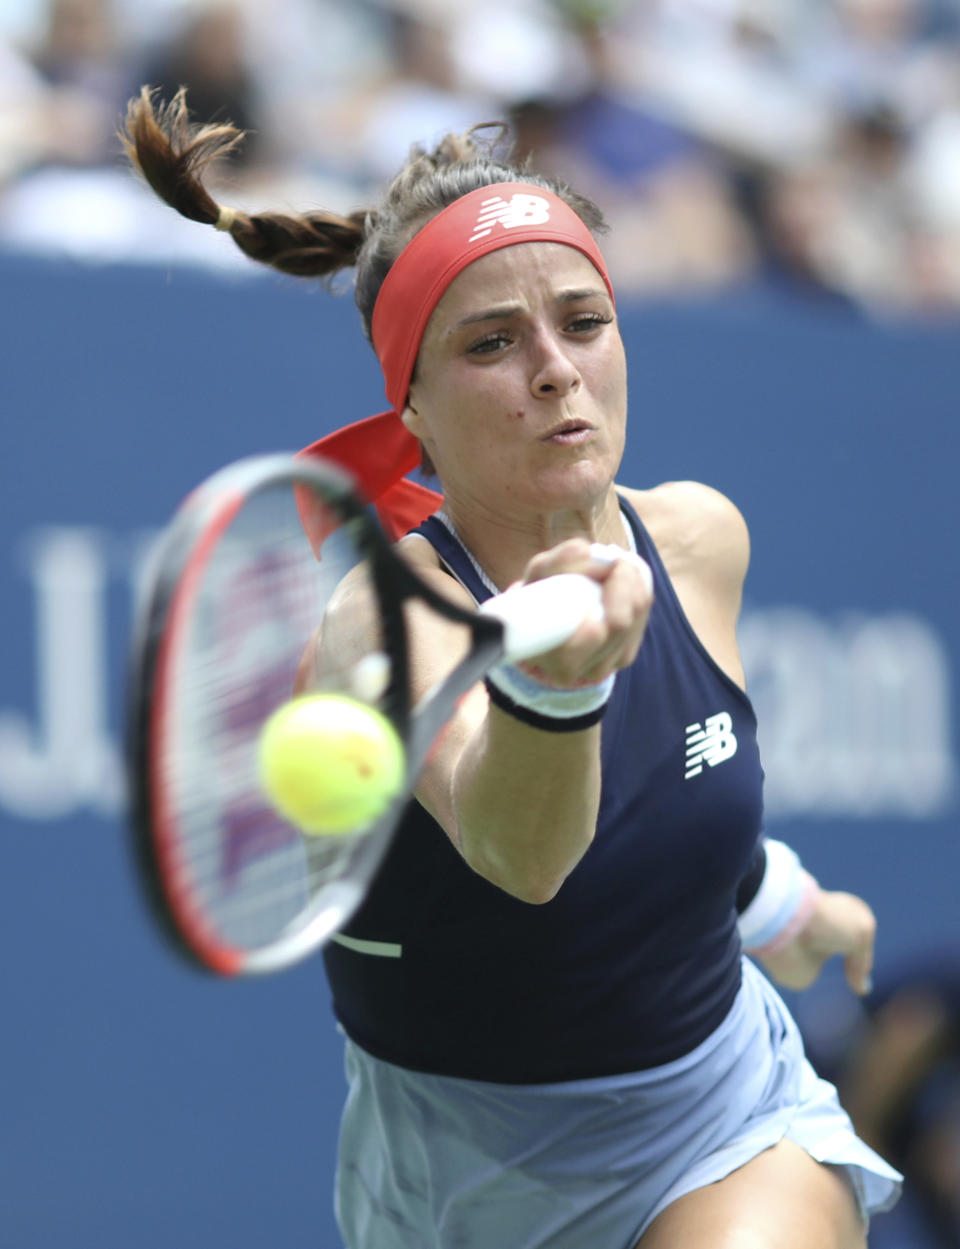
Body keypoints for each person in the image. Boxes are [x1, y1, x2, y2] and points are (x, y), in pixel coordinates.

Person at [121, 86, 902, 1249]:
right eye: (493, 342)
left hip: (722, 1117)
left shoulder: (696, 540)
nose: (554, 369)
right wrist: (558, 687)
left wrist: (786, 904)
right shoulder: (387, 624)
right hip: (450, 1174)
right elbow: (521, 857)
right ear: (416, 409)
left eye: (583, 321)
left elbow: (675, 803)